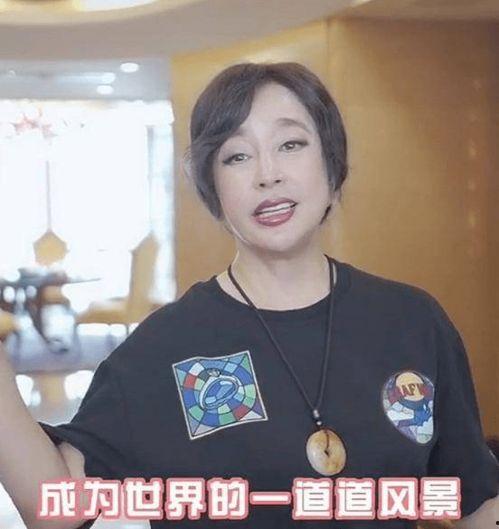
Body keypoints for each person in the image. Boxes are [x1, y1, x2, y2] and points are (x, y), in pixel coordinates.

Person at [1, 62, 498, 529]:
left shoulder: (411, 321)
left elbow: (476, 500)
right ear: (212, 188)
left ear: (332, 163)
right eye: (237, 156)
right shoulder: (164, 346)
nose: (267, 173)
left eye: (291, 144)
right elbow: (55, 507)